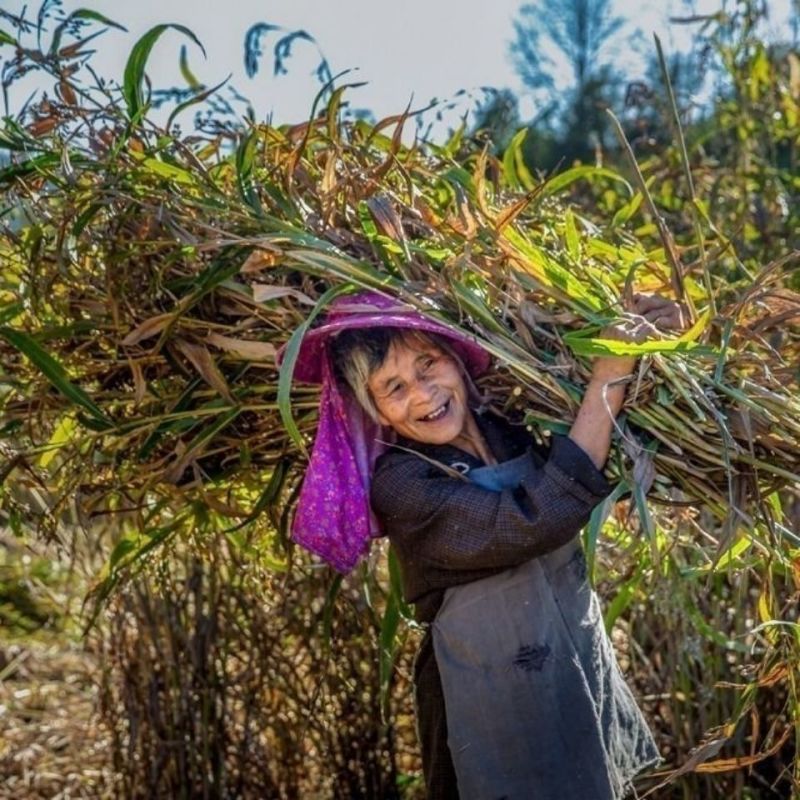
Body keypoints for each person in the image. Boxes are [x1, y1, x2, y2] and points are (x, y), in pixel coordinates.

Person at [281, 290, 684, 799]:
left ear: (455, 357)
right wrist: (608, 377)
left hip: (571, 669)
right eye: (395, 387)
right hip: (487, 699)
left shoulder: (514, 425)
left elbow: (624, 430)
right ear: (376, 411)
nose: (424, 394)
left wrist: (656, 341)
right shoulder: (402, 482)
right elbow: (533, 520)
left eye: (428, 364)